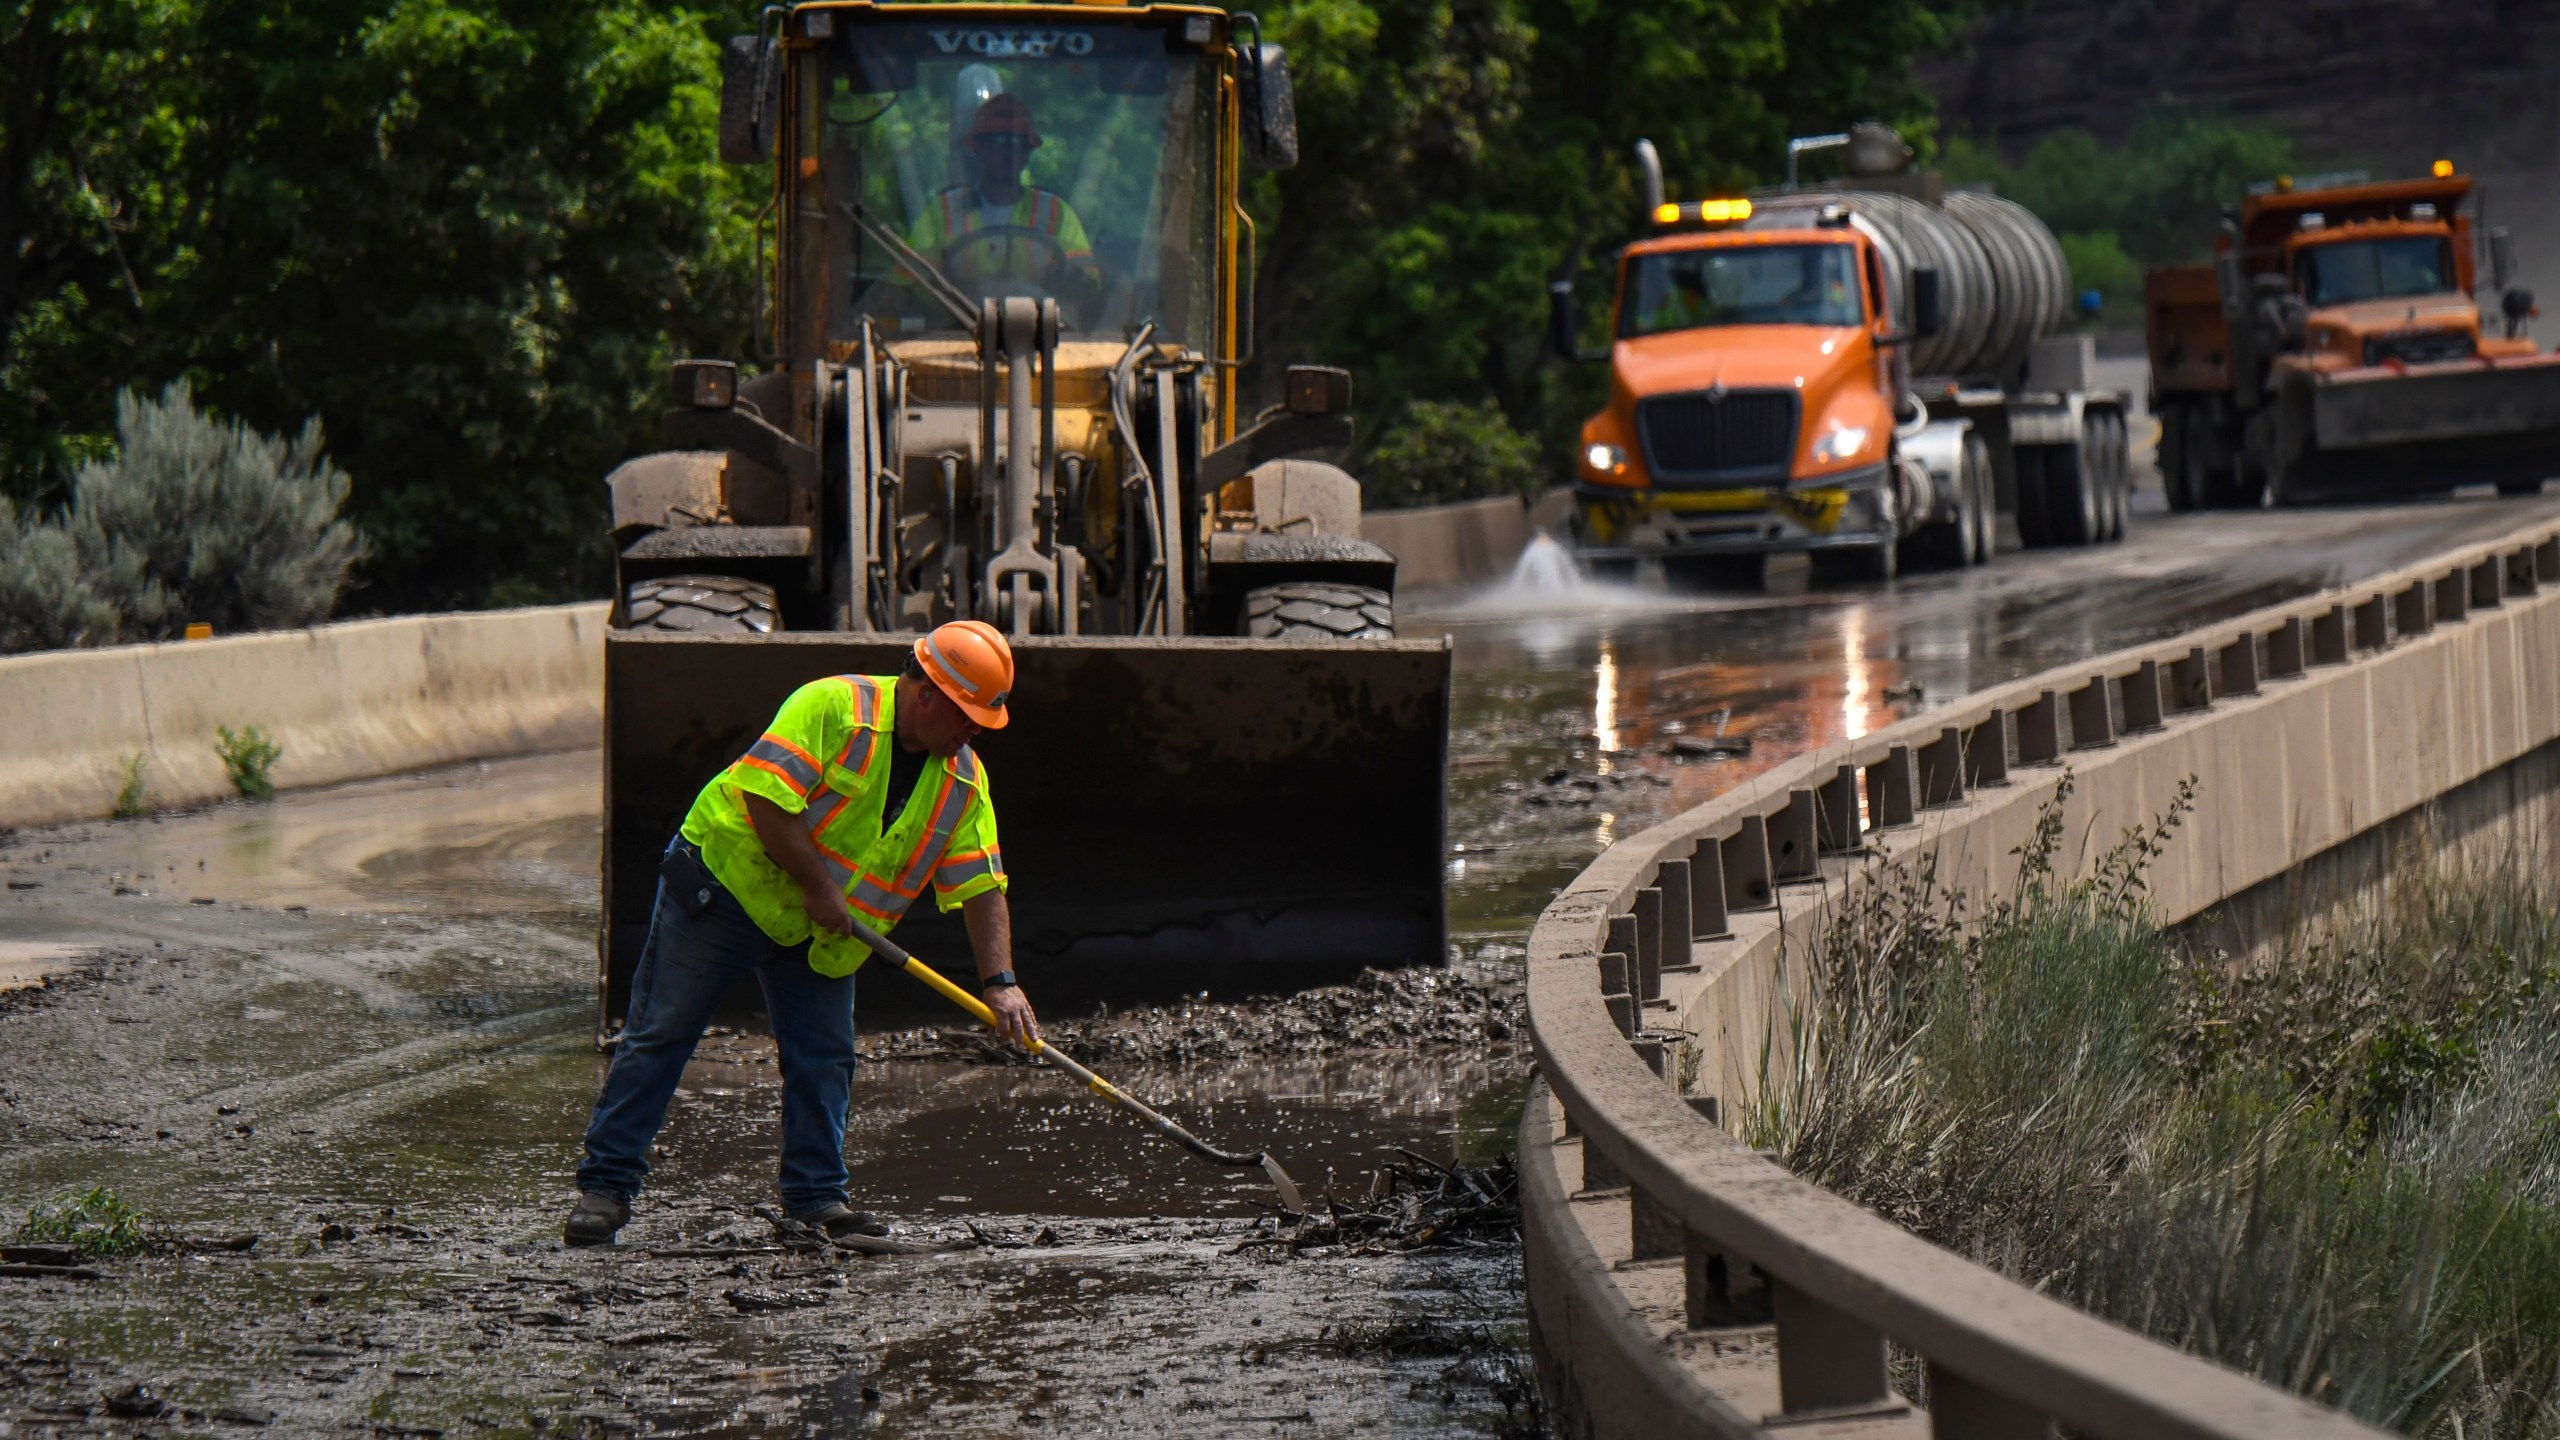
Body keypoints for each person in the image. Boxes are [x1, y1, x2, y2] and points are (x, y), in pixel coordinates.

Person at [564, 621, 1040, 1247]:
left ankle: (816, 1200)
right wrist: (819, 886)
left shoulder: (962, 783)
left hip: (821, 935)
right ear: (926, 692)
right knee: (663, 1032)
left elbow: (981, 885)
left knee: (824, 1059)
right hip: (728, 888)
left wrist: (1000, 983)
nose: (973, 732)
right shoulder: (832, 707)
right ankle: (606, 1188)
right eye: (967, 716)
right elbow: (764, 797)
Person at [908, 94, 1101, 300]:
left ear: (1028, 152)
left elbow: (1086, 289)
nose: (1006, 151)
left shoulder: (1056, 214)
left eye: (1016, 142)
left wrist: (1065, 285)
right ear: (977, 148)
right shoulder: (943, 212)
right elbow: (906, 285)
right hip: (957, 329)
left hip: (1042, 330)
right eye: (995, 140)